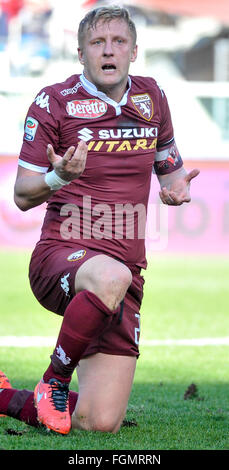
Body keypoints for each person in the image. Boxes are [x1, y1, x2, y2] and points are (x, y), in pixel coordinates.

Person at [4, 6, 199, 435]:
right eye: (97, 43)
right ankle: (52, 380)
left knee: (98, 422)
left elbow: (169, 166)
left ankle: (4, 397)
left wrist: (177, 187)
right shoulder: (54, 101)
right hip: (61, 256)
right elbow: (21, 195)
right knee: (111, 275)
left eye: (118, 42)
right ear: (80, 54)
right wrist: (59, 176)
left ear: (133, 51)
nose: (108, 51)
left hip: (126, 272)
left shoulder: (153, 98)